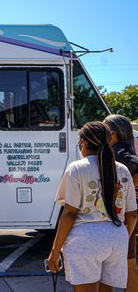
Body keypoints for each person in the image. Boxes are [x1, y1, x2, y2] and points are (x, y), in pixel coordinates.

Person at [48, 121, 137, 292]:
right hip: (116, 238)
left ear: (84, 142)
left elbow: (69, 213)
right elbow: (132, 215)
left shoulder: (77, 168)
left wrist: (55, 250)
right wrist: (120, 236)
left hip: (85, 240)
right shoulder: (123, 170)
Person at [103, 114, 138, 291]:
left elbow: (134, 166)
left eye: (104, 131)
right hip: (127, 215)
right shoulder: (125, 148)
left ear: (113, 134)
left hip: (124, 216)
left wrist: (131, 187)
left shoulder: (118, 152)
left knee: (123, 263)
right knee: (128, 262)